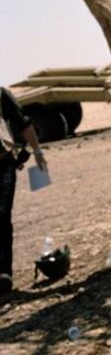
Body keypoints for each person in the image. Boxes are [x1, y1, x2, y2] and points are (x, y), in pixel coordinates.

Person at [1, 85, 47, 298]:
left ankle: (3, 274)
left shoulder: (1, 95)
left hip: (2, 165)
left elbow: (23, 122)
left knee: (1, 217)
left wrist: (37, 151)